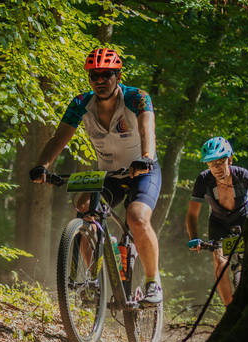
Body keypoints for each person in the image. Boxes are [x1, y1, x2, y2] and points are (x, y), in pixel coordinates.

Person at [29, 48, 163, 304]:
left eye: (106, 74)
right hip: (110, 174)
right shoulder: (81, 103)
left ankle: (152, 282)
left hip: (143, 170)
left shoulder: (137, 97)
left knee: (137, 217)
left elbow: (148, 128)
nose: (100, 80)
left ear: (118, 76)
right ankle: (93, 281)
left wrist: (146, 156)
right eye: (94, 76)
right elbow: (59, 137)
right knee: (83, 208)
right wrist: (42, 166)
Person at [185, 137, 248, 305]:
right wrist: (194, 238)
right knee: (220, 262)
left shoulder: (242, 175)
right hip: (219, 223)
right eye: (211, 164)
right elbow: (192, 215)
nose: (216, 168)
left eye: (220, 162)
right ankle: (229, 309)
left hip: (245, 219)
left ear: (230, 159)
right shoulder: (203, 180)